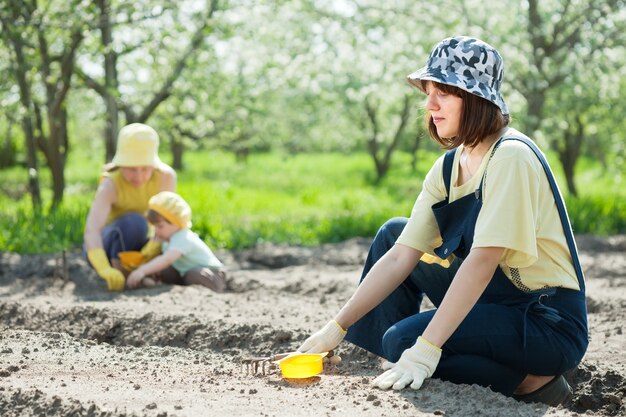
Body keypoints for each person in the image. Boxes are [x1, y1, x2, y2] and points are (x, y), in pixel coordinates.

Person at [297, 36, 588, 406]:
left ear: (478, 99)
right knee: (393, 235)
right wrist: (335, 327)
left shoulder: (510, 157)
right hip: (500, 301)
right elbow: (401, 256)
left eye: (445, 93)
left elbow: (482, 261)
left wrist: (427, 346)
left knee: (404, 341)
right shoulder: (450, 165)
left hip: (547, 321)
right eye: (428, 91)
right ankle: (388, 361)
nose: (430, 105)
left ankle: (529, 381)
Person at [84, 123, 176, 291]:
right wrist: (103, 268)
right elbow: (92, 230)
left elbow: (169, 220)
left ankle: (139, 271)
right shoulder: (110, 185)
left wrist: (154, 248)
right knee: (135, 222)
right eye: (132, 169)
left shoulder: (165, 177)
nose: (139, 176)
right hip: (105, 246)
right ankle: (120, 270)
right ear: (121, 164)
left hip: (138, 243)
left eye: (145, 169)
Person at [126, 191, 227, 292]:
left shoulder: (183, 237)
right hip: (184, 272)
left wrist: (142, 271)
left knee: (193, 275)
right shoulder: (167, 240)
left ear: (176, 223)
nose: (156, 231)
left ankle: (214, 289)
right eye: (154, 226)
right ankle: (161, 284)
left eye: (160, 226)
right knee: (164, 269)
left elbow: (167, 259)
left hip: (213, 275)